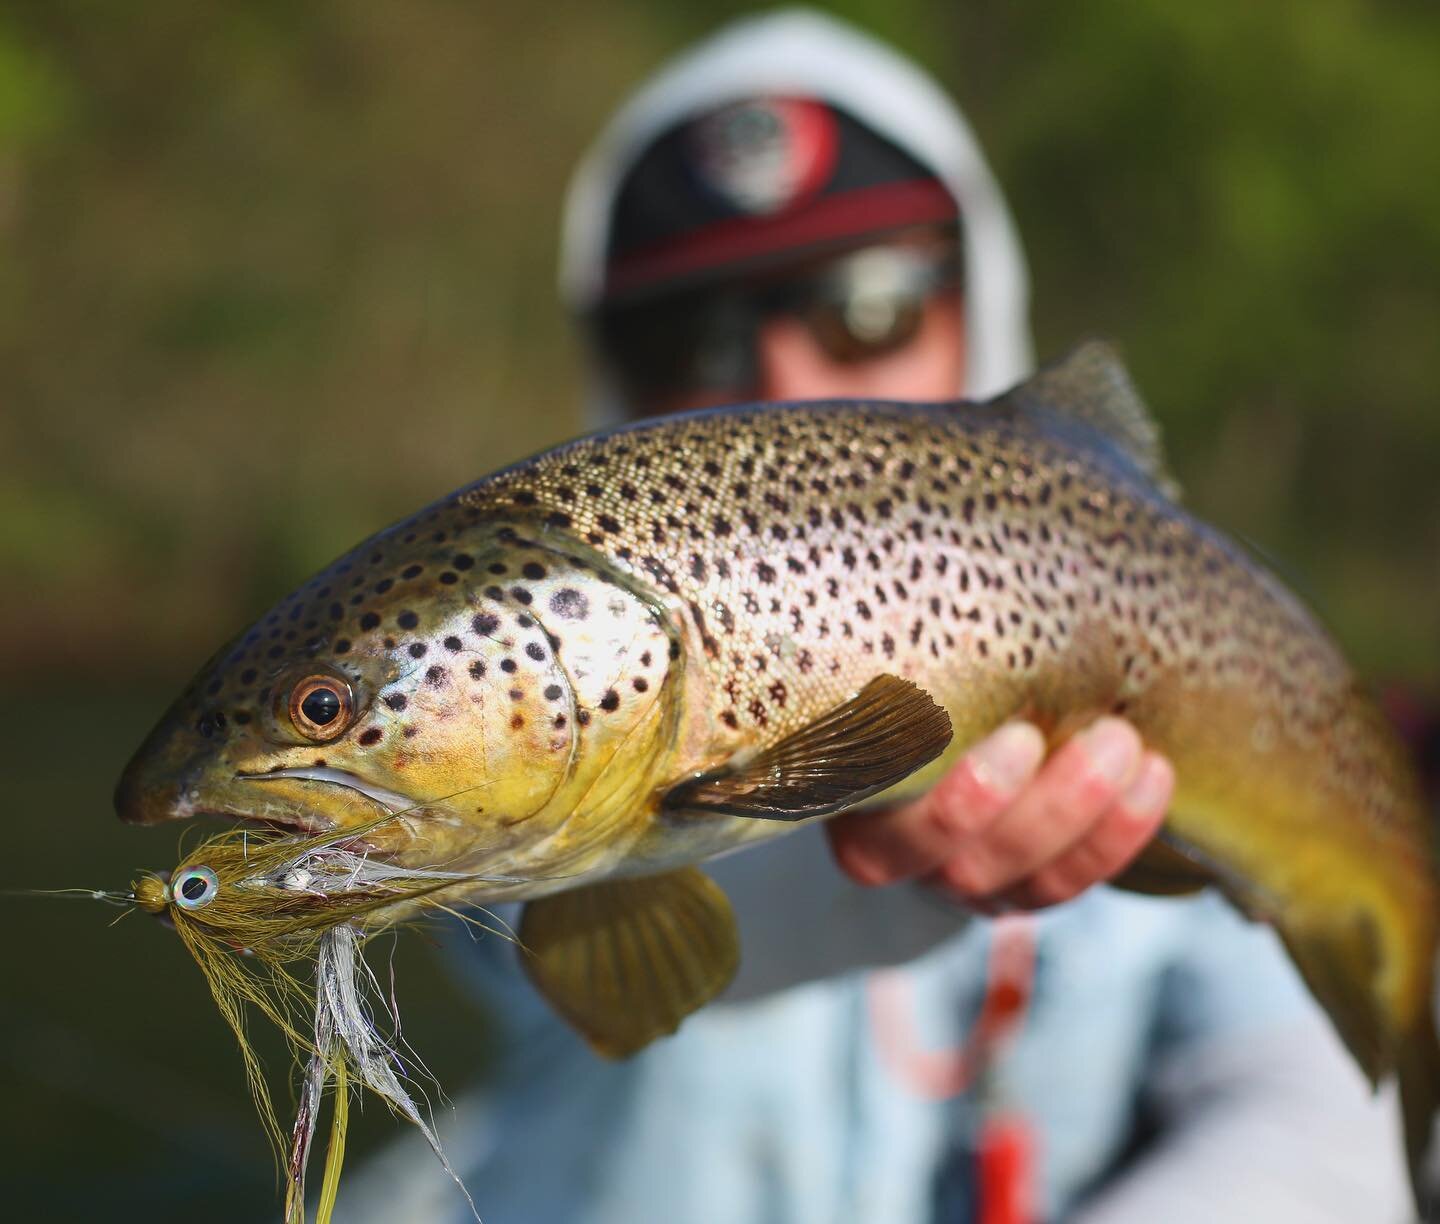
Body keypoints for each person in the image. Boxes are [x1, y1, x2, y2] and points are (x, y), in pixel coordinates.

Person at [344, 10, 1410, 1222]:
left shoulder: (1182, 619)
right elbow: (553, 931)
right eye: (689, 334)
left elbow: (1320, 1121)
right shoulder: (512, 674)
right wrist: (889, 863)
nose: (784, 380)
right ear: (614, 379)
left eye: (868, 304)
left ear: (979, 302)